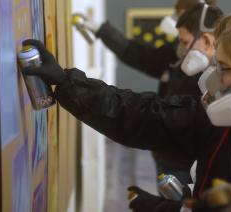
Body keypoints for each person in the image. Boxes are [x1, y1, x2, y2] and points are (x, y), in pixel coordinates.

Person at [20, 16, 231, 212]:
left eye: (224, 70)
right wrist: (65, 81)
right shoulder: (213, 121)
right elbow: (141, 115)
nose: (212, 81)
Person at [85, 1, 221, 186]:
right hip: (165, 154)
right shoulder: (176, 56)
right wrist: (103, 30)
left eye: (185, 42)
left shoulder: (219, 81)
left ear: (206, 39)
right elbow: (139, 54)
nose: (182, 51)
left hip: (185, 165)